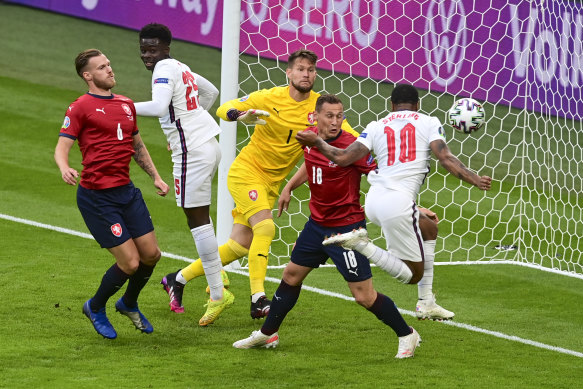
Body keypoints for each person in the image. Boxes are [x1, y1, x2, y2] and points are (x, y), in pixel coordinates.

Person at [160, 49, 356, 319]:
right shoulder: (268, 97)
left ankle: (177, 279)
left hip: (271, 184)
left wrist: (379, 144)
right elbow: (222, 108)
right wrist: (240, 116)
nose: (306, 74)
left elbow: (353, 138)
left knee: (239, 246)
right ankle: (257, 298)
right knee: (264, 227)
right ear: (289, 72)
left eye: (310, 70)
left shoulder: (319, 109)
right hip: (246, 172)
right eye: (300, 69)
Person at [232, 95, 421, 358]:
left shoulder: (351, 149)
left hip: (346, 232)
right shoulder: (308, 138)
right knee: (291, 276)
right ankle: (267, 334)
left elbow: (381, 177)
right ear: (316, 117)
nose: (335, 122)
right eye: (329, 116)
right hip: (317, 225)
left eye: (339, 116)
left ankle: (407, 333)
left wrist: (412, 205)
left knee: (364, 296)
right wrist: (289, 186)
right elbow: (311, 163)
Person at [297, 84, 492, 320]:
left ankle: (427, 302)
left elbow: (343, 158)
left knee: (428, 227)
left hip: (374, 201)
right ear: (417, 105)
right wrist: (476, 179)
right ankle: (361, 245)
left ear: (391, 106)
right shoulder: (429, 122)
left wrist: (318, 143)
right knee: (412, 275)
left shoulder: (376, 126)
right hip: (397, 205)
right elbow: (446, 158)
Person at [54, 49, 170, 339]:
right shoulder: (80, 107)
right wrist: (64, 167)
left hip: (126, 193)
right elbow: (62, 146)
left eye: (109, 64)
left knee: (152, 255)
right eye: (102, 67)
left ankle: (128, 303)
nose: (110, 70)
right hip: (97, 197)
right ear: (88, 76)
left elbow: (137, 146)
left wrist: (155, 176)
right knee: (129, 262)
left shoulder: (126, 104)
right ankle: (95, 306)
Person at [134, 23, 233, 326]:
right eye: (143, 49)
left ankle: (218, 293)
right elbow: (210, 91)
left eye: (152, 48)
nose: (147, 55)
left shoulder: (164, 67)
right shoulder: (179, 66)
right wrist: (191, 120)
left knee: (196, 219)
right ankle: (218, 281)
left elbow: (159, 105)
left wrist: (119, 105)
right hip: (207, 145)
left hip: (192, 151)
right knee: (197, 217)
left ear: (165, 47)